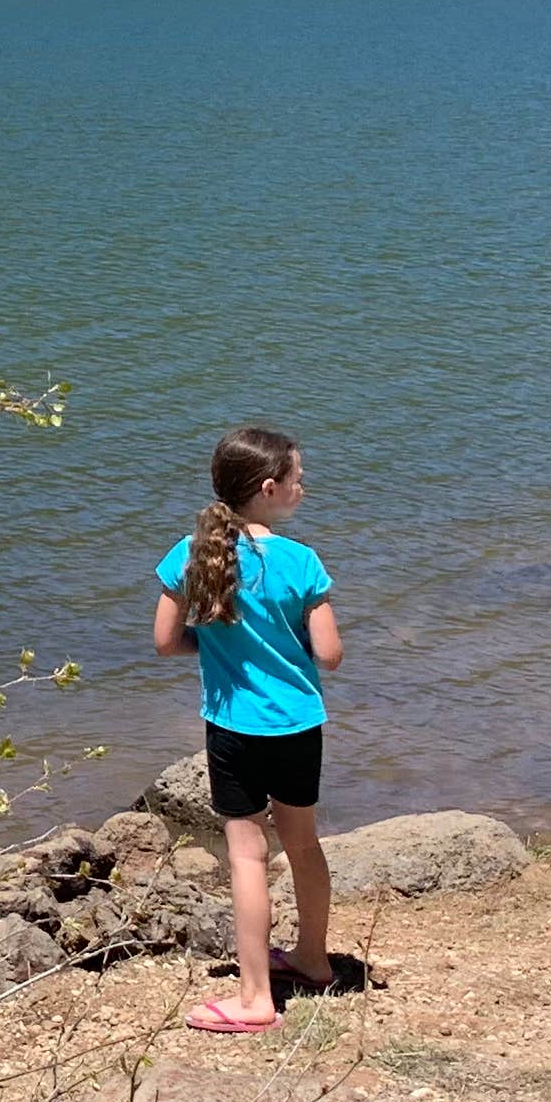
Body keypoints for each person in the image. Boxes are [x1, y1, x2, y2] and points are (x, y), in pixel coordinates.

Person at [150, 423, 343, 1034]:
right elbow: (330, 654)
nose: (303, 489)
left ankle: (255, 996)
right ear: (269, 488)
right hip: (297, 724)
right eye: (298, 480)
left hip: (233, 727)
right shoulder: (301, 561)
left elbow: (163, 642)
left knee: (247, 856)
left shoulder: (191, 554)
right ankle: (313, 960)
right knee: (304, 844)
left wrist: (215, 652)